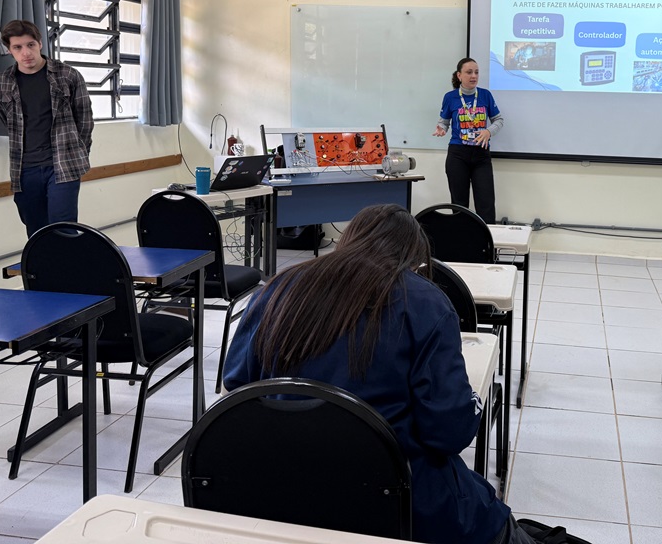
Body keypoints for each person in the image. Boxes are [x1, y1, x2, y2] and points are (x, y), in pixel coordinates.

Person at [222, 204, 536, 544]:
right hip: (400, 502)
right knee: (500, 525)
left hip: (284, 495)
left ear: (349, 239)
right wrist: (470, 400)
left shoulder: (276, 290)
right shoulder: (426, 303)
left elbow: (238, 391)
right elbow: (448, 433)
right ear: (413, 258)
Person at [0, 19, 94, 238]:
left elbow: (85, 120)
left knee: (63, 228)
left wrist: (78, 153)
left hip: (62, 165)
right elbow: (7, 121)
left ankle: (67, 262)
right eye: (18, 47)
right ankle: (42, 263)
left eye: (30, 45)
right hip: (24, 168)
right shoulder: (0, 83)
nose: (26, 52)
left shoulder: (68, 75)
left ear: (39, 43)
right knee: (35, 231)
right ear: (9, 50)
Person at [432, 57, 504, 224]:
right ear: (459, 75)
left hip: (481, 155)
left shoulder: (485, 95)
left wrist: (488, 131)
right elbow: (444, 122)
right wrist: (441, 128)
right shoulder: (450, 97)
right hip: (458, 154)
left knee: (486, 203)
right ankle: (461, 237)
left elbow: (499, 120)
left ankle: (486, 238)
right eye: (469, 72)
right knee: (459, 204)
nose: (474, 76)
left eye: (476, 72)